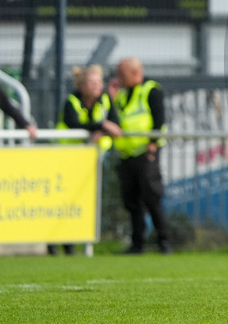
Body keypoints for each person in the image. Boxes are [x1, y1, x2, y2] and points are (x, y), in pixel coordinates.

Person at [51, 65, 122, 255]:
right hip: (68, 157)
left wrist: (101, 128)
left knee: (83, 202)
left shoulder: (105, 100)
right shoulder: (72, 101)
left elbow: (116, 124)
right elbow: (73, 123)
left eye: (99, 82)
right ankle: (59, 243)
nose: (97, 86)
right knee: (65, 201)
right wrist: (101, 125)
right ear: (82, 85)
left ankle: (78, 242)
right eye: (92, 82)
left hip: (93, 160)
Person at [112, 57, 172, 255]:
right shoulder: (122, 94)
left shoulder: (151, 90)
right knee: (132, 200)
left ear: (135, 73)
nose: (118, 78)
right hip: (127, 154)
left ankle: (164, 242)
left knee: (152, 197)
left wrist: (153, 146)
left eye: (122, 74)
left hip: (146, 153)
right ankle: (137, 244)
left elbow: (159, 119)